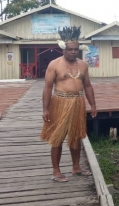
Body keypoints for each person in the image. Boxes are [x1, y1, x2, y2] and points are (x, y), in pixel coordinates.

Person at [40, 26, 97, 182]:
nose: (73, 52)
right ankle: (56, 171)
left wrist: (93, 105)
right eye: (70, 49)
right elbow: (47, 87)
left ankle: (76, 166)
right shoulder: (55, 64)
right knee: (57, 137)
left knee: (76, 135)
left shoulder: (83, 65)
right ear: (64, 49)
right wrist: (45, 109)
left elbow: (88, 86)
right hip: (60, 101)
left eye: (76, 49)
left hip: (78, 101)